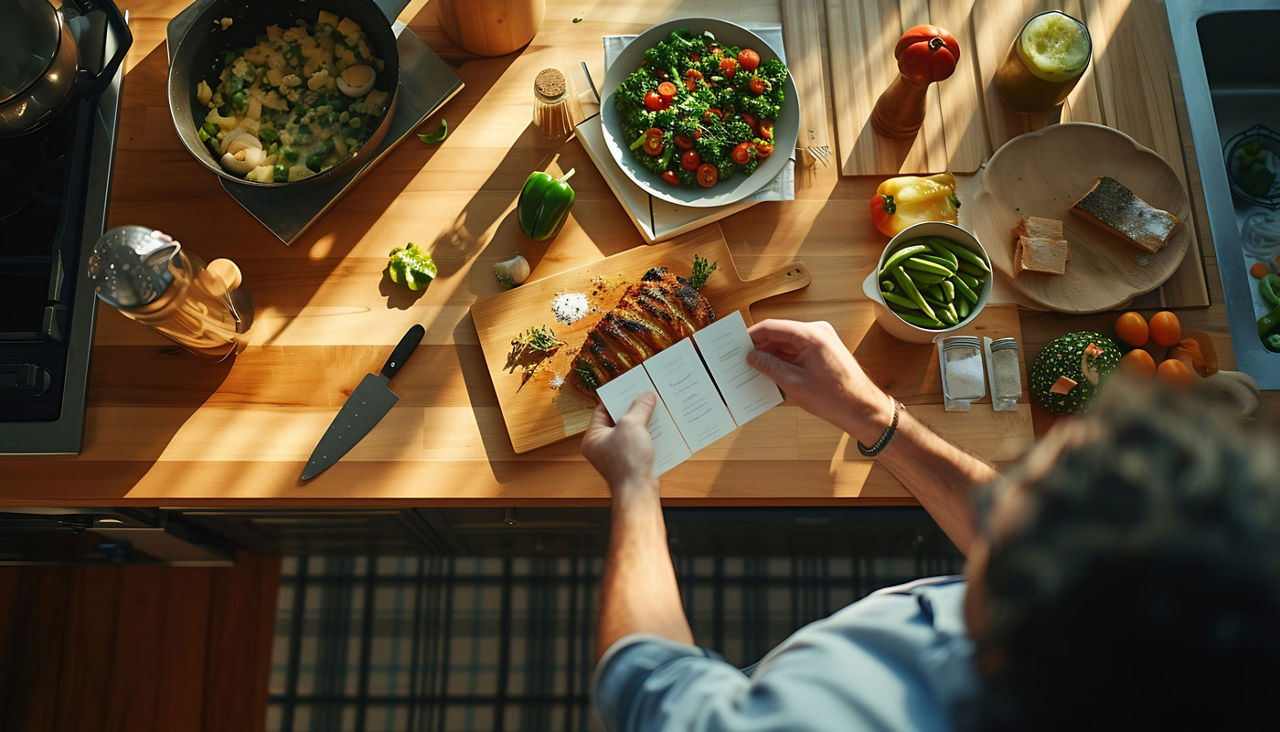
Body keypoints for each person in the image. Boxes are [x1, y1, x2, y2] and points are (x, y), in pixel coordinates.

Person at [580, 319, 1280, 731]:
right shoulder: (1161, 635)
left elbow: (645, 685)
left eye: (1021, 493)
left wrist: (635, 482)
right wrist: (874, 417)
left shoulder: (828, 714)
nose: (997, 494)